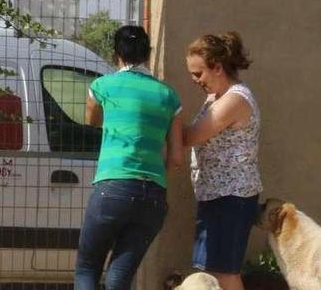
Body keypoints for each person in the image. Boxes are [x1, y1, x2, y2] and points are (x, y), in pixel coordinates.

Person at [74, 25, 185, 290]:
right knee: (119, 278)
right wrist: (156, 181)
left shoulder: (102, 86)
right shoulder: (169, 96)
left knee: (88, 267)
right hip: (153, 195)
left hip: (112, 188)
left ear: (117, 55)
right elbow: (177, 156)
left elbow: (91, 120)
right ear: (148, 54)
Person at [183, 32, 262, 290]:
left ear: (217, 67)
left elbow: (193, 135)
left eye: (198, 73)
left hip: (231, 198)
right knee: (212, 273)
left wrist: (166, 118)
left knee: (226, 274)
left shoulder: (234, 99)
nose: (194, 80)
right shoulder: (216, 97)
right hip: (216, 195)